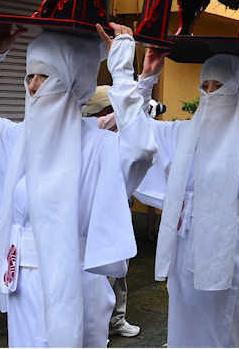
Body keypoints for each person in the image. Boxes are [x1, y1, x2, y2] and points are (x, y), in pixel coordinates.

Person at [0, 22, 156, 347]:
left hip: (77, 285)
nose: (33, 86)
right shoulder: (20, 140)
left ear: (73, 80)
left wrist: (124, 74)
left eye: (46, 76)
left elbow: (141, 148)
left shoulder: (98, 147)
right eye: (30, 75)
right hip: (21, 284)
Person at [130, 46, 239, 347]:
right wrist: (146, 78)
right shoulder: (181, 133)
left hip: (227, 244)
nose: (210, 95)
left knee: (222, 327)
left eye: (219, 87)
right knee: (184, 328)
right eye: (205, 86)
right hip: (183, 241)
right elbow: (136, 129)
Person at [82, 86, 142, 338]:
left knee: (119, 269)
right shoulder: (87, 135)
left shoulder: (121, 136)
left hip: (118, 212)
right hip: (90, 218)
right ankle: (96, 327)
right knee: (96, 275)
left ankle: (117, 319)